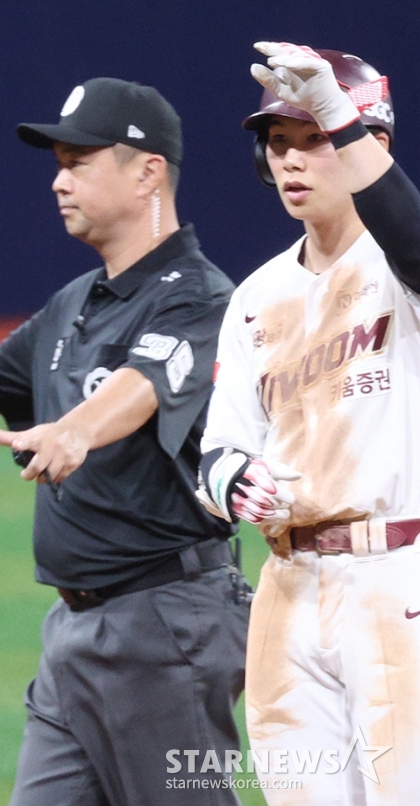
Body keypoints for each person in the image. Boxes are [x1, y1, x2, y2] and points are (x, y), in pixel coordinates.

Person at [196, 42, 420, 805]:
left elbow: (418, 252)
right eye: (278, 143)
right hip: (288, 590)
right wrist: (232, 480)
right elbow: (220, 443)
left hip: (405, 578)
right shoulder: (256, 296)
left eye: (314, 138)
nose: (290, 161)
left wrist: (342, 115)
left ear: (369, 144)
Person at [0, 77, 250, 806]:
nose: (57, 180)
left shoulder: (201, 296)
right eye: (58, 161)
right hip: (72, 634)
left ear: (147, 172)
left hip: (165, 627)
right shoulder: (74, 303)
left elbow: (147, 383)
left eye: (77, 160)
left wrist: (76, 431)